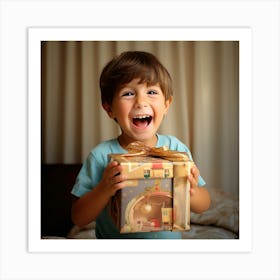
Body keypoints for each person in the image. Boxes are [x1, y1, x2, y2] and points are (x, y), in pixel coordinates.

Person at [71, 51, 211, 239]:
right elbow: (79, 218)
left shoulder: (176, 149)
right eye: (128, 93)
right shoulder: (101, 155)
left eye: (151, 92)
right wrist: (104, 189)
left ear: (167, 105)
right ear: (109, 108)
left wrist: (191, 190)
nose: (141, 102)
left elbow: (204, 206)